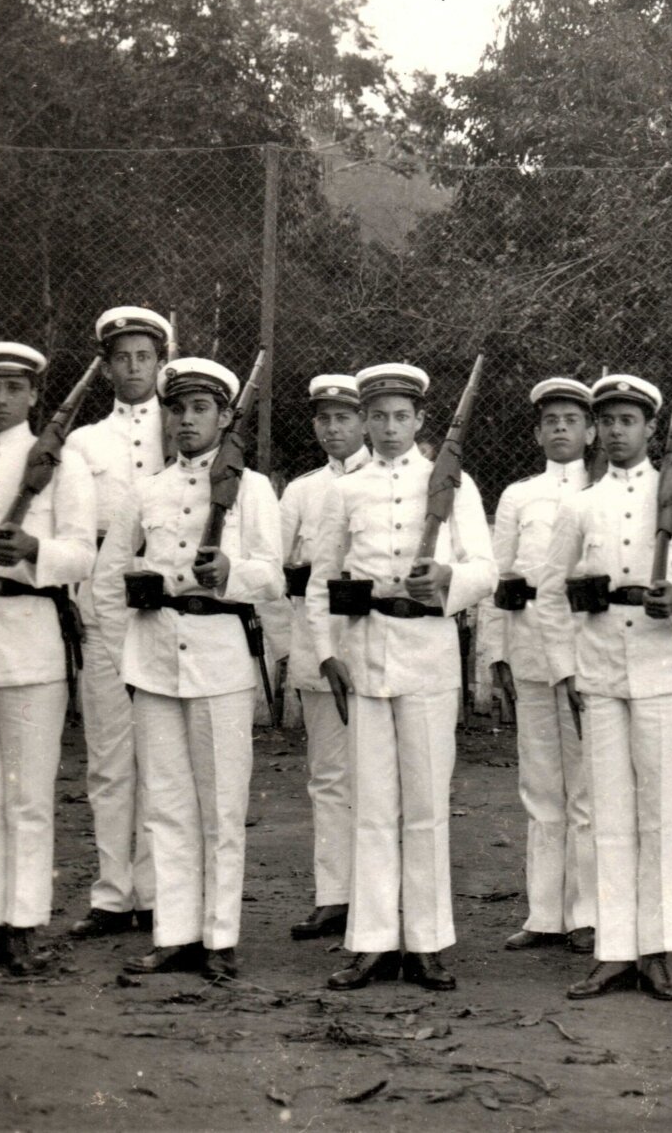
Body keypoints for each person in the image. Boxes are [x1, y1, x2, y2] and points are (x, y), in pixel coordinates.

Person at [316, 363, 494, 993]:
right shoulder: (346, 490)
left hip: (426, 653)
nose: (389, 429)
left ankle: (425, 941)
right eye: (378, 417)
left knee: (423, 805)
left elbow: (486, 569)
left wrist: (448, 581)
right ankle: (370, 942)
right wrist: (324, 651)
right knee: (370, 805)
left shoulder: (451, 483)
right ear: (365, 422)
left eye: (401, 417)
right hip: (365, 652)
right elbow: (322, 577)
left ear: (420, 421)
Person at [107, 356, 284, 981]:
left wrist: (232, 575)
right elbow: (109, 577)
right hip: (154, 655)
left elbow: (273, 572)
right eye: (177, 408)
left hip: (218, 656)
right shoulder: (147, 490)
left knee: (221, 804)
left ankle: (219, 937)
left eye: (200, 408)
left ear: (224, 417)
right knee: (168, 805)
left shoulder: (252, 489)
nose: (186, 420)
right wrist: (127, 637)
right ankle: (175, 933)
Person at [541, 372, 672, 1003]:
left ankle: (658, 949)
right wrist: (566, 669)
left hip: (664, 669)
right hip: (602, 673)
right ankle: (614, 951)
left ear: (648, 429)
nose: (616, 431)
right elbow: (550, 592)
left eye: (627, 421)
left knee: (660, 817)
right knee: (609, 815)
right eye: (606, 421)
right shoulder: (580, 505)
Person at [0, 342, 96, 975]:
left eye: (14, 388)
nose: (1, 399)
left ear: (35, 394)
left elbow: (84, 554)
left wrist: (34, 548)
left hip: (30, 639)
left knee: (27, 796)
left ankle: (26, 921)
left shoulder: (64, 466)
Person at [474, 376, 597, 956]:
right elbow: (500, 579)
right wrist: (494, 652)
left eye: (571, 419)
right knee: (540, 783)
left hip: (586, 647)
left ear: (591, 430)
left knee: (588, 786)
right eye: (550, 420)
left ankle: (588, 913)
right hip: (528, 648)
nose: (560, 429)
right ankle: (545, 912)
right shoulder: (519, 496)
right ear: (537, 431)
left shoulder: (604, 492)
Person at [65, 305, 172, 940]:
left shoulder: (186, 426)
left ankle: (158, 891)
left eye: (144, 357)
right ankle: (112, 894)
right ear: (105, 367)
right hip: (104, 599)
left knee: (162, 753)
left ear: (160, 362)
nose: (133, 369)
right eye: (122, 358)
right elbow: (79, 534)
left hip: (166, 600)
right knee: (109, 754)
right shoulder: (85, 443)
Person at [277, 373, 368, 945]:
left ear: (363, 422)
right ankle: (334, 896)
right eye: (324, 419)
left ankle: (382, 896)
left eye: (344, 418)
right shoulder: (301, 492)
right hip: (319, 645)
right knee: (330, 777)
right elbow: (279, 571)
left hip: (378, 644)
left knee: (384, 777)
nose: (333, 428)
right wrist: (292, 649)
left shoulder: (393, 480)